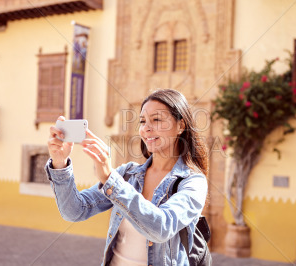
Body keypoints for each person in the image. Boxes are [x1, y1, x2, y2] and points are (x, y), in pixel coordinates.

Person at [45, 89, 209, 266]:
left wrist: (110, 179)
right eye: (143, 121)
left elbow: (161, 228)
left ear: (180, 126)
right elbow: (74, 211)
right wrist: (60, 163)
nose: (146, 128)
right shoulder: (128, 174)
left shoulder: (193, 182)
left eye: (157, 120)